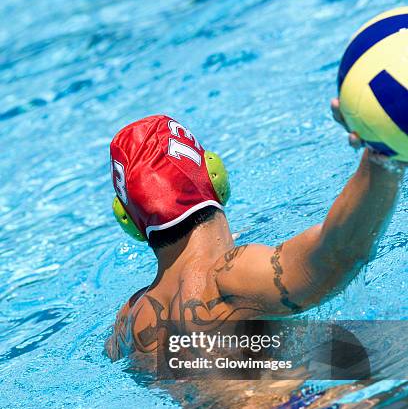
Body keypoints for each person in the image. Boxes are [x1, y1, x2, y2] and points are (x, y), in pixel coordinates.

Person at [105, 99, 405, 363]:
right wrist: (383, 154)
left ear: (129, 221)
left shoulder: (128, 322)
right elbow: (339, 254)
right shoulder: (228, 277)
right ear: (214, 175)